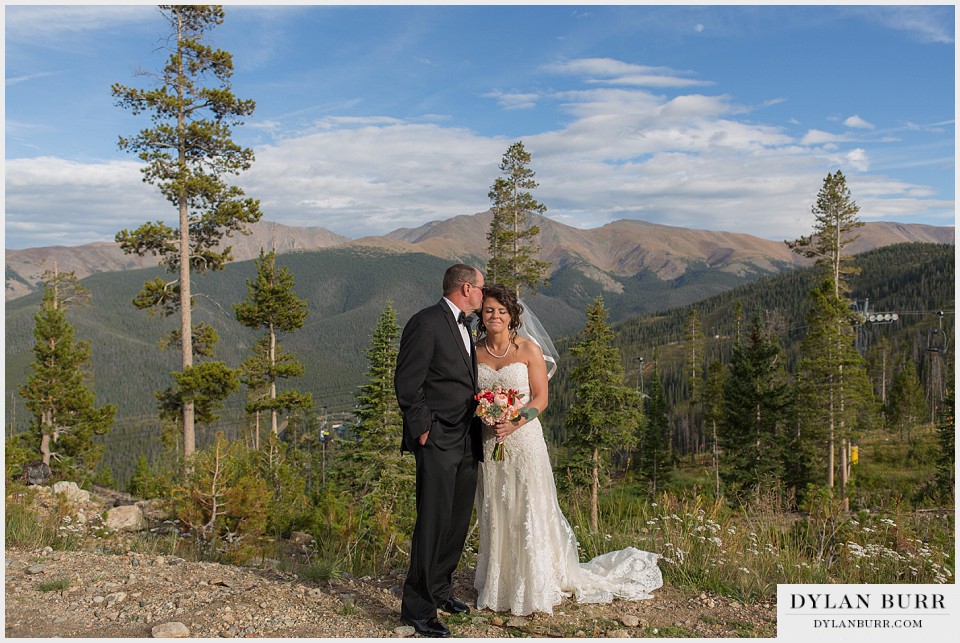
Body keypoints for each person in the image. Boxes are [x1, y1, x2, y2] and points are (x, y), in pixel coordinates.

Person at [473, 284, 663, 616]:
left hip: (524, 438)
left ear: (512, 315)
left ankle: (532, 582)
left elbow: (541, 400)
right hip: (490, 442)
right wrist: (487, 417)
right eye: (489, 310)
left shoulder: (528, 350)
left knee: (527, 505)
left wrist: (515, 420)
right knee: (497, 506)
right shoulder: (475, 353)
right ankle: (499, 582)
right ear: (481, 314)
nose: (495, 316)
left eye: (502, 311)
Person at [395, 263, 485, 638]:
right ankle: (417, 608)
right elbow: (406, 381)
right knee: (432, 521)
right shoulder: (426, 322)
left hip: (467, 437)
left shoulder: (467, 325)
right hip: (437, 439)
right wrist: (423, 431)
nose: (483, 295)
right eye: (480, 288)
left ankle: (441, 589)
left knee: (457, 519)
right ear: (465, 288)